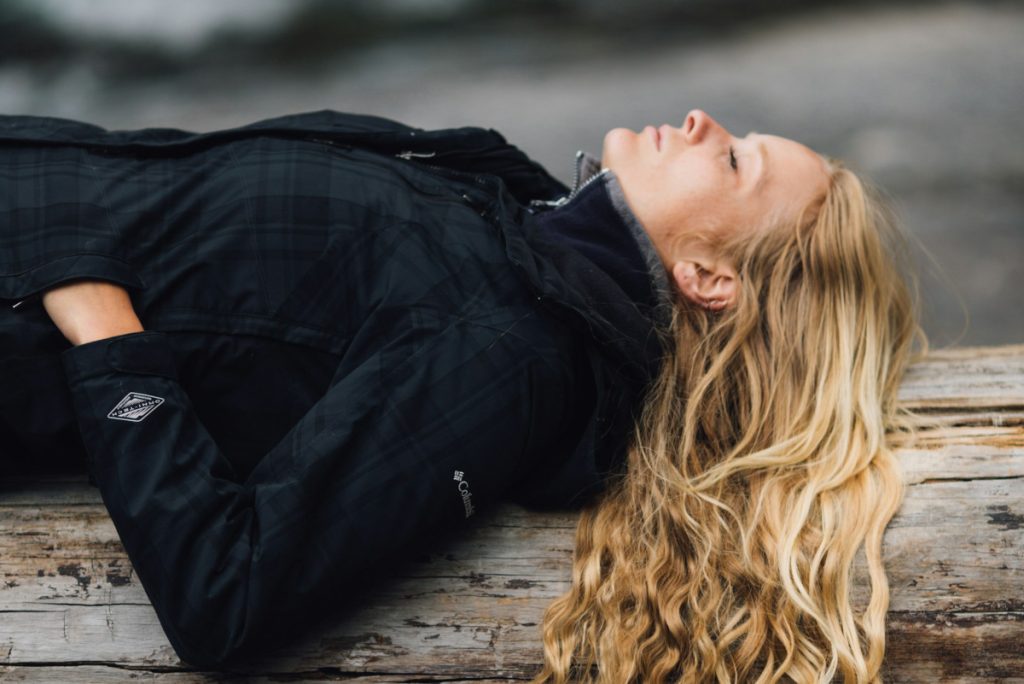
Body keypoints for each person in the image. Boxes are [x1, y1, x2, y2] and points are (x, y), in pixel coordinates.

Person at [0, 108, 923, 680]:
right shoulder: (524, 226)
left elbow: (227, 596)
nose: (699, 122)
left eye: (733, 163)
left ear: (708, 279)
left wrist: (103, 326)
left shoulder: (515, 354)